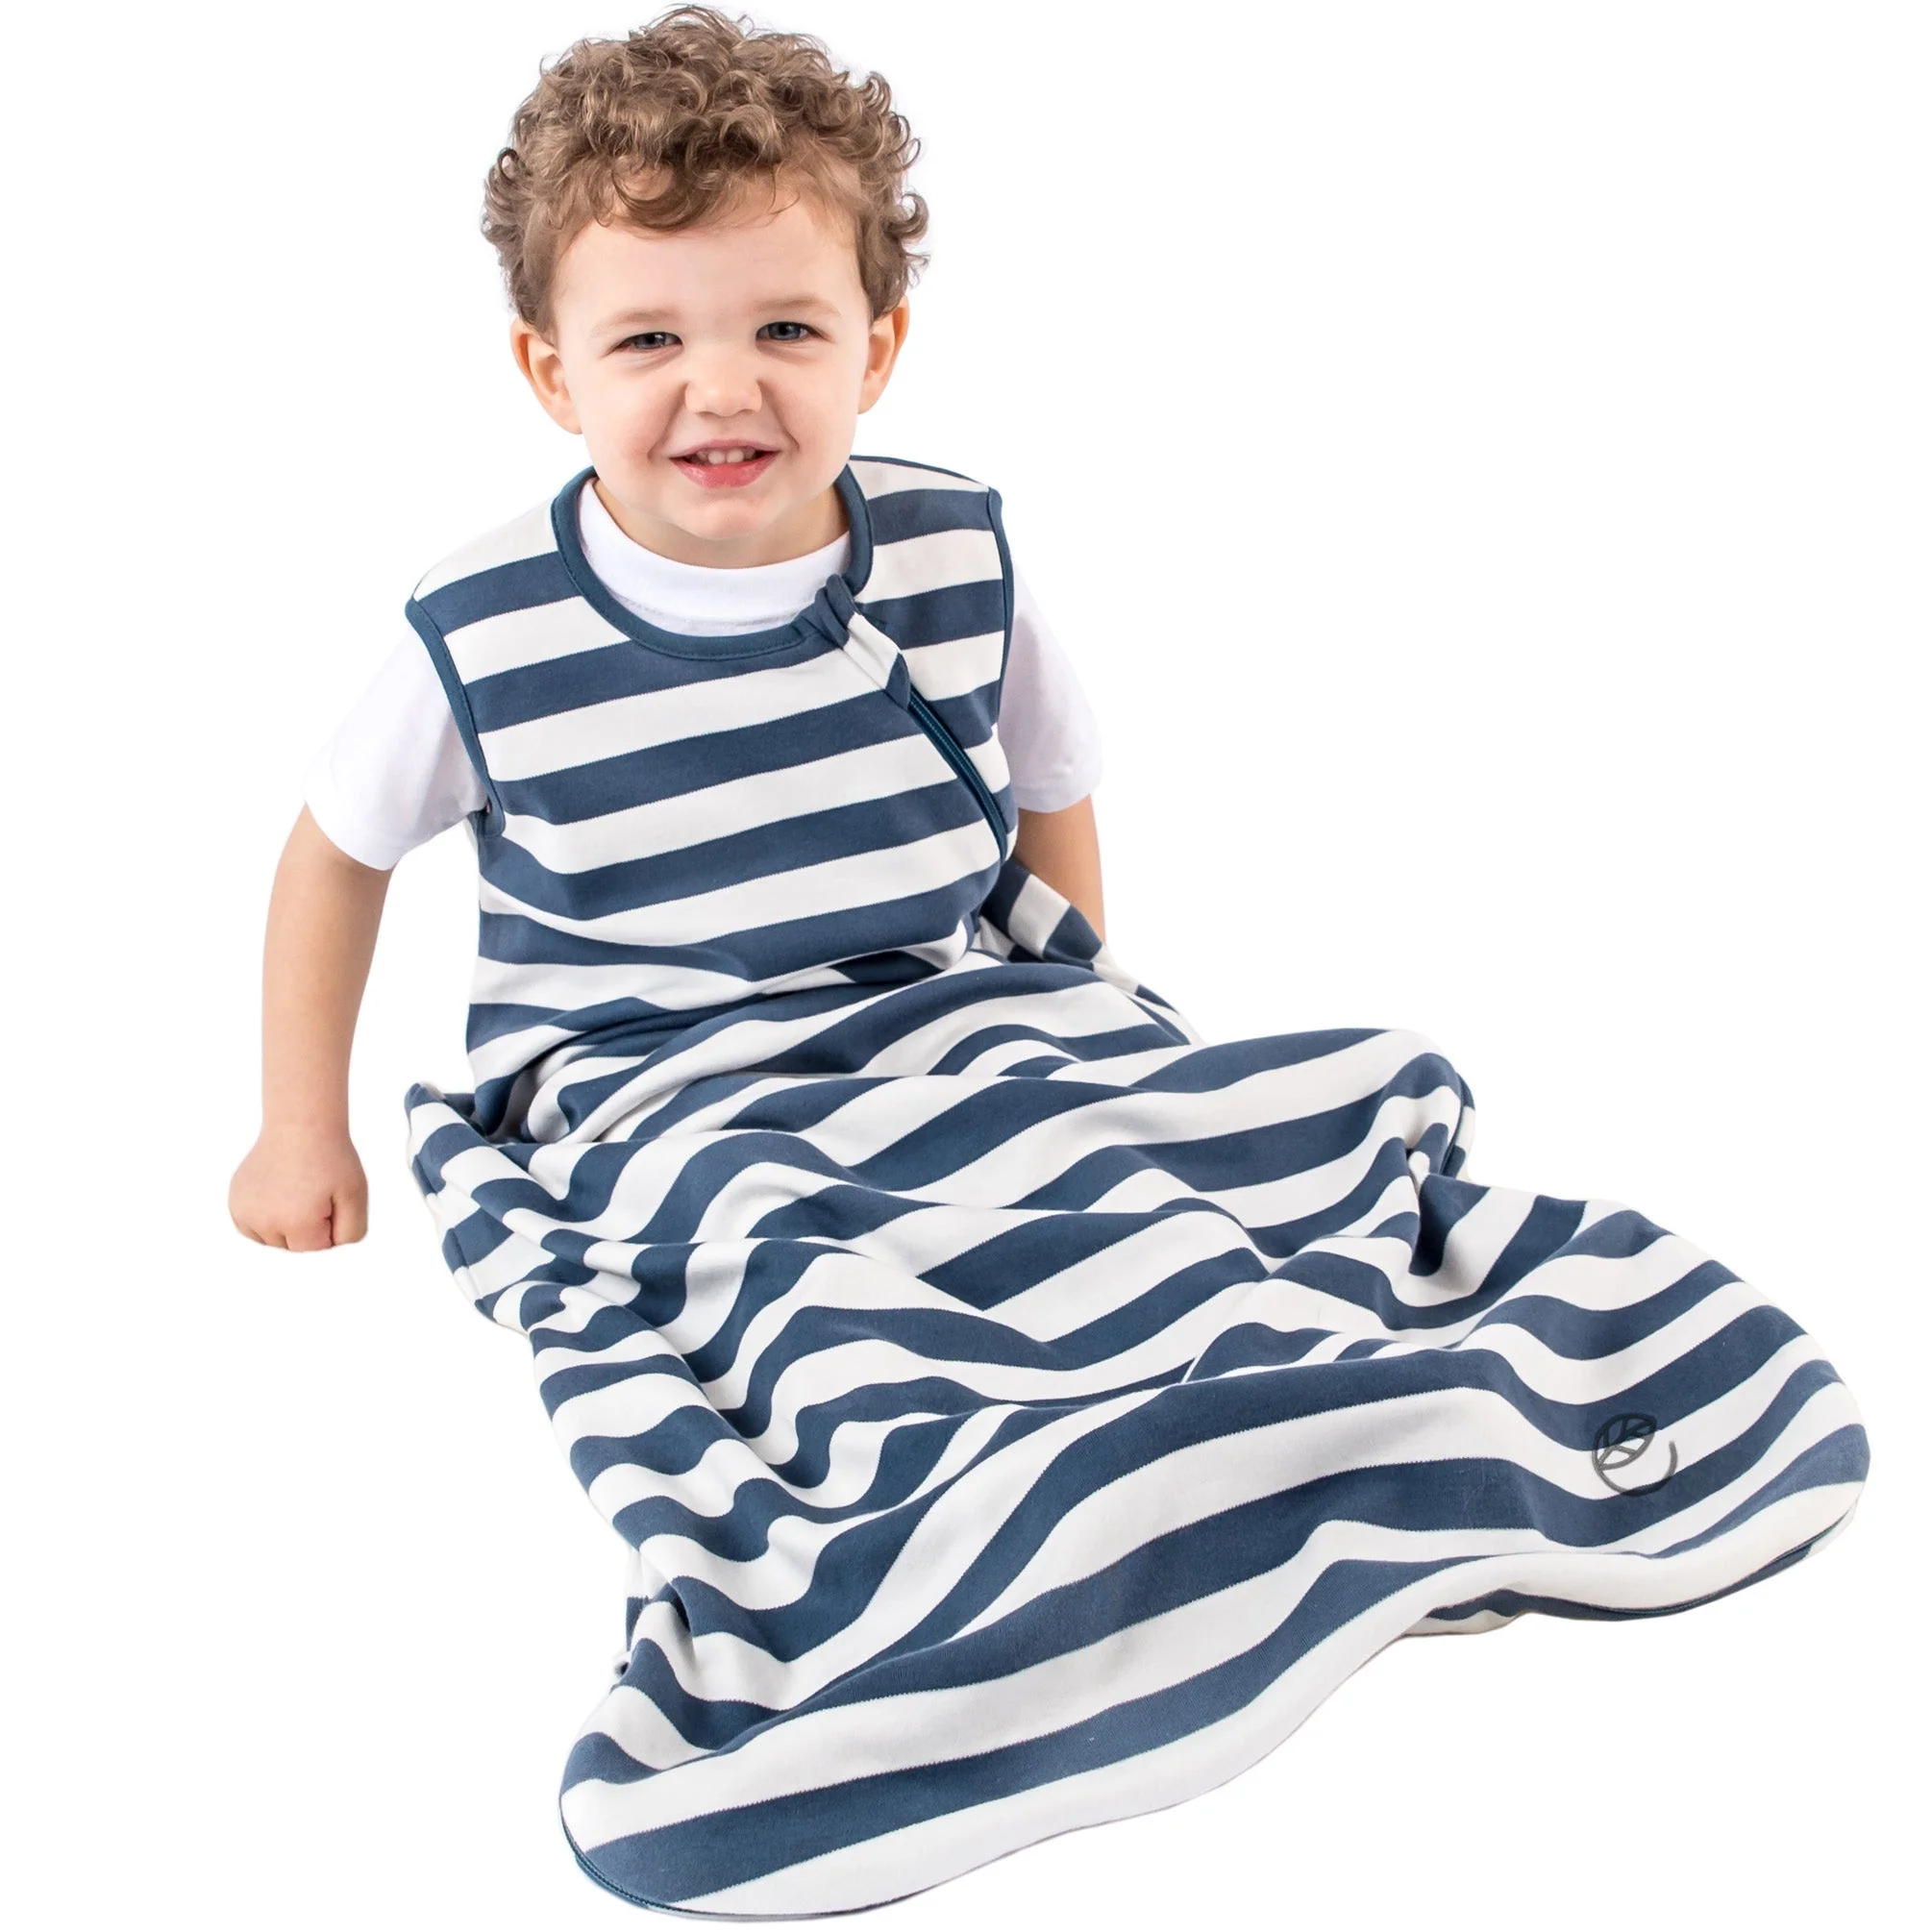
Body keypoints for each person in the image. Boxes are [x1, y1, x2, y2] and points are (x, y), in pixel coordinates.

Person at [224, 8, 1867, 1920]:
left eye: (784, 328)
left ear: (876, 345)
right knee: (773, 1254)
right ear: (548, 370)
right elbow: (333, 860)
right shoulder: (485, 627)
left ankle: (1312, 1449)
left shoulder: (946, 554)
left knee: (1148, 1181)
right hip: (645, 1059)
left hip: (943, 995)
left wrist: (1082, 1008)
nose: (720, 388)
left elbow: (1047, 788)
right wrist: (297, 1125)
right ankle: (968, 1567)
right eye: (647, 341)